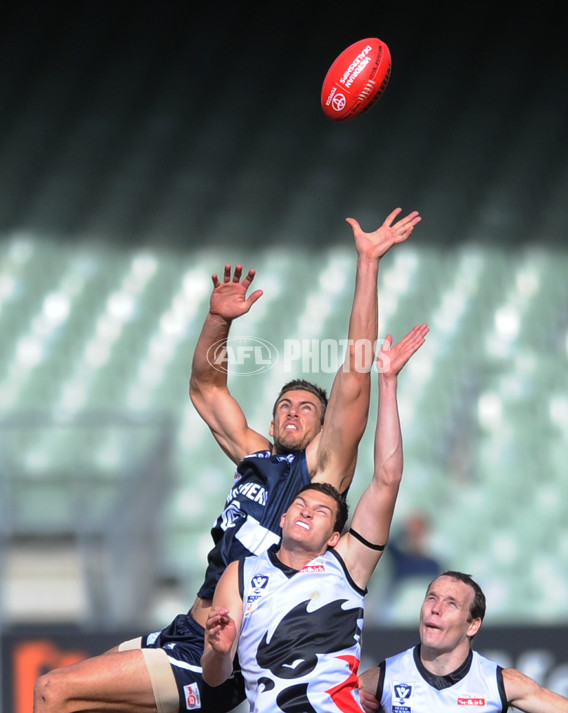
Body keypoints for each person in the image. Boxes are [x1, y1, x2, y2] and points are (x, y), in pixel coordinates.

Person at [33, 207, 422, 713]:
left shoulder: (322, 473)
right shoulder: (255, 455)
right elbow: (205, 386)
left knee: (54, 690)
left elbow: (354, 373)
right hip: (187, 630)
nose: (292, 410)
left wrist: (367, 264)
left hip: (225, 650)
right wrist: (218, 320)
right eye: (284, 403)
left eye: (308, 408)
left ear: (325, 428)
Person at [201, 327, 429, 713]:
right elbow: (214, 675)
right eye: (302, 504)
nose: (307, 510)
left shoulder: (346, 567)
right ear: (284, 516)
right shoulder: (240, 575)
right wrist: (220, 652)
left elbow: (387, 478)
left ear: (335, 537)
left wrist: (387, 384)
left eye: (322, 511)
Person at [359, 571, 568, 713]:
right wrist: (345, 699)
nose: (436, 609)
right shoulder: (384, 677)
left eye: (451, 603)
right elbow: (323, 700)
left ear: (473, 624)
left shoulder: (500, 683)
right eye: (431, 598)